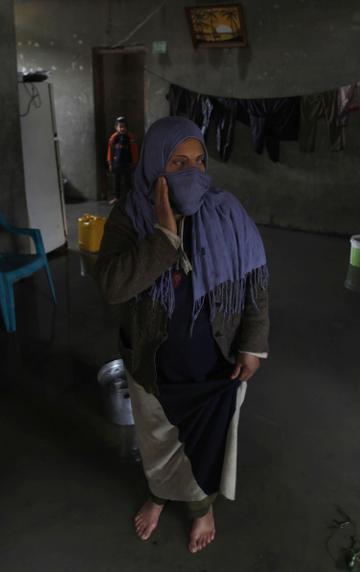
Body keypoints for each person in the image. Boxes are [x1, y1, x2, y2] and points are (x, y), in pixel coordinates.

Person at [96, 116, 270, 553]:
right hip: (154, 362)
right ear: (156, 164)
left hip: (216, 360)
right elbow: (112, 285)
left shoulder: (227, 211)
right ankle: (158, 494)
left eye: (199, 161)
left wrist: (253, 343)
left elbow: (255, 281)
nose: (192, 172)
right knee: (157, 438)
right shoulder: (129, 215)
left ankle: (200, 507)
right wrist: (163, 237)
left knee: (207, 438)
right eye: (178, 162)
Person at [106, 116, 139, 204]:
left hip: (127, 163)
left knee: (128, 181)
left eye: (124, 126)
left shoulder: (130, 138)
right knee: (117, 181)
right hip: (117, 163)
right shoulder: (113, 138)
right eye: (120, 126)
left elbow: (134, 150)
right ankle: (117, 197)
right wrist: (110, 163)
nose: (122, 128)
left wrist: (135, 162)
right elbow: (110, 151)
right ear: (116, 127)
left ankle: (129, 198)